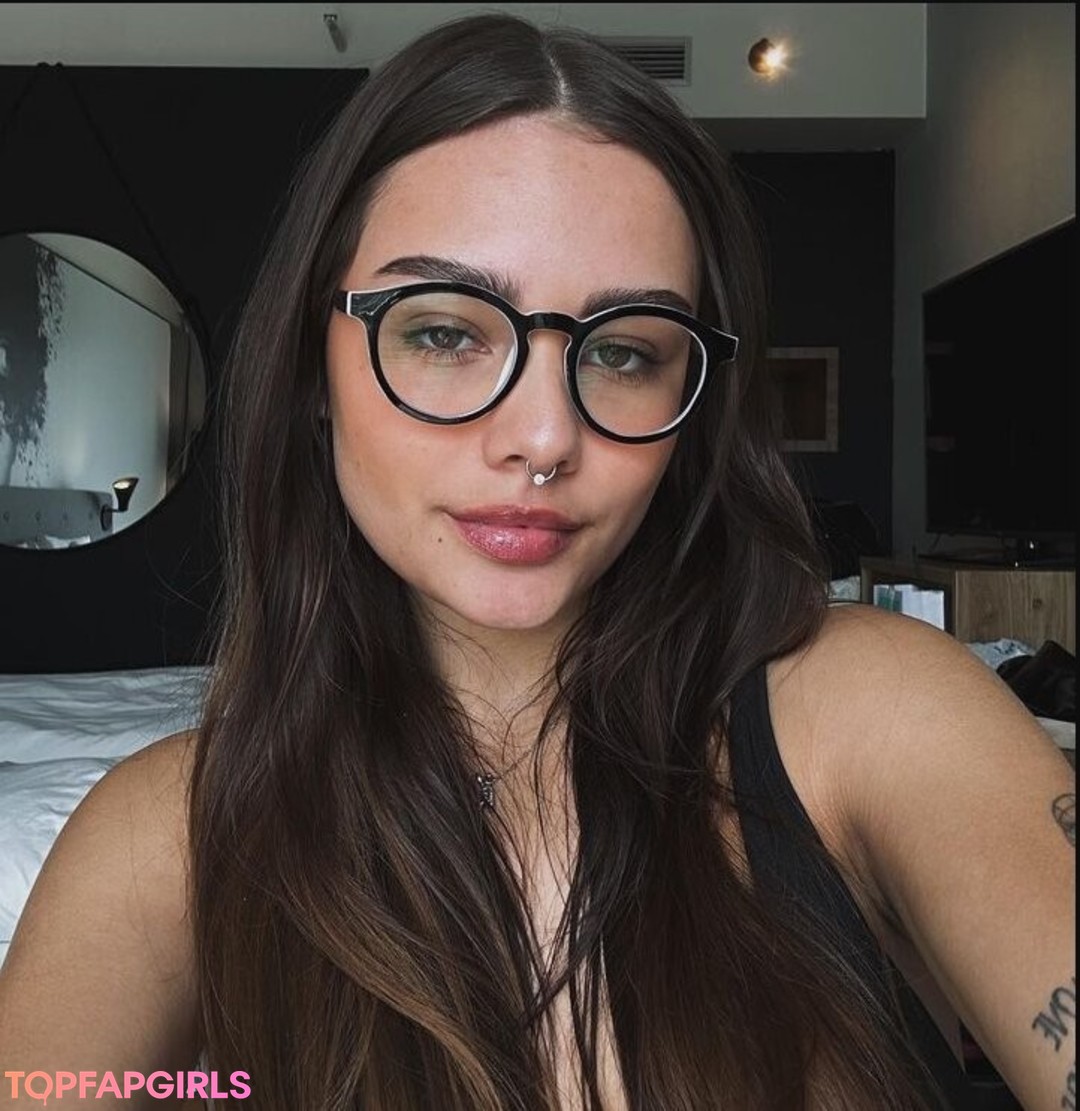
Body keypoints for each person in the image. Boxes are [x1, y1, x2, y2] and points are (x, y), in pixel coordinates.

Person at [0, 13, 1074, 1111]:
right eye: (445, 332)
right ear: (314, 370)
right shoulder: (160, 846)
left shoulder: (877, 714)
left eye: (624, 352)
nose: (545, 437)